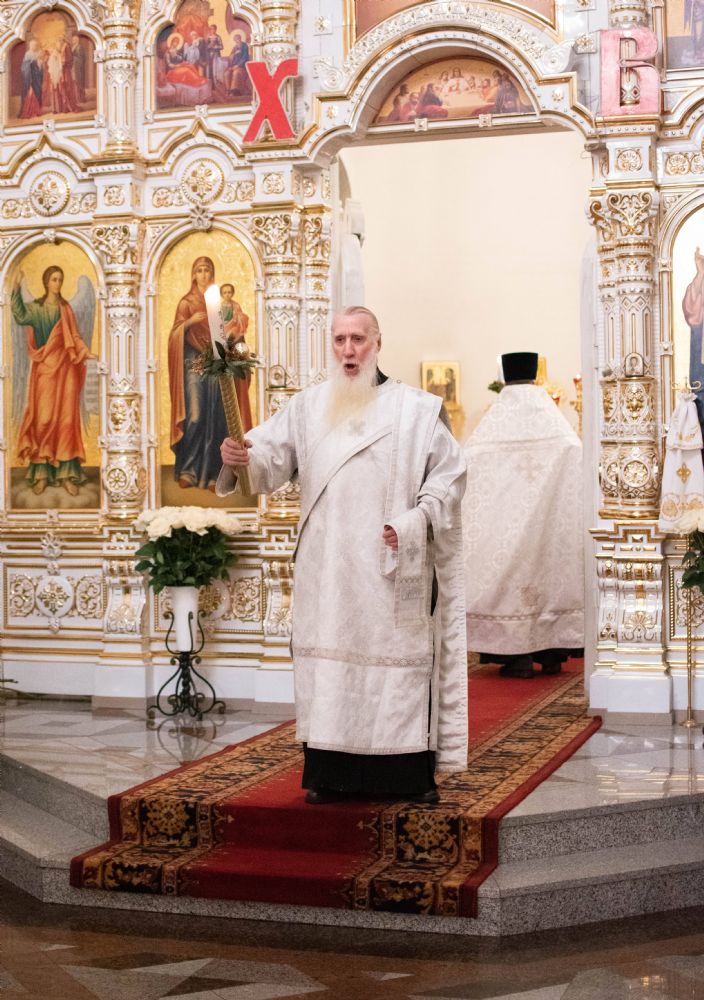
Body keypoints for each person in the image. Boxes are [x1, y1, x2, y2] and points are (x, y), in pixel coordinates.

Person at [219, 306, 468, 803]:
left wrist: (417, 520)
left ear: (378, 342)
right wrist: (241, 458)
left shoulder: (415, 410)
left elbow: (449, 476)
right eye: (339, 340)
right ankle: (329, 775)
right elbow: (268, 460)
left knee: (394, 672)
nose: (348, 350)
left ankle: (405, 776)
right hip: (327, 570)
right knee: (330, 673)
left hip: (389, 567)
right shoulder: (307, 407)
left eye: (358, 339)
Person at [463, 352, 584, 678]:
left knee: (511, 582)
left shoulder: (495, 421)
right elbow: (574, 452)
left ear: (505, 375)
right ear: (534, 374)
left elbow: (470, 461)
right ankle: (551, 655)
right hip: (547, 526)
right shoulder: (550, 418)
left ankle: (518, 658)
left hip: (507, 530)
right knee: (548, 576)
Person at [11, 267, 96, 496]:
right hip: (45, 369)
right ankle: (41, 473)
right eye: (54, 279)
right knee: (44, 419)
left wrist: (85, 351)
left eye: (60, 279)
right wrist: (16, 288)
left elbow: (75, 336)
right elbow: (19, 316)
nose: (57, 283)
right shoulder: (36, 308)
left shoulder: (66, 308)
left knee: (66, 420)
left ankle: (66, 475)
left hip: (66, 369)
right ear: (46, 282)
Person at [168, 256, 228, 490]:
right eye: (199, 270)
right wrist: (190, 322)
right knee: (195, 415)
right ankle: (188, 469)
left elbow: (227, 332)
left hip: (214, 362)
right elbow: (174, 335)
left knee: (215, 417)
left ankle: (212, 474)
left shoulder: (219, 304)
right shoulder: (186, 303)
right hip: (192, 362)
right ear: (193, 275)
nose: (203, 274)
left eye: (207, 270)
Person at [220, 282, 253, 433]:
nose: (227, 295)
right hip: (224, 339)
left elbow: (240, 321)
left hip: (236, 339)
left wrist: (238, 321)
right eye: (225, 292)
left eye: (229, 292)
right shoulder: (219, 307)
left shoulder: (236, 306)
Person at [19, 39, 44, 119]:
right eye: (33, 45)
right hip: (30, 77)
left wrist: (40, 63)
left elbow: (40, 67)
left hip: (37, 77)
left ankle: (37, 110)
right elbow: (25, 67)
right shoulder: (28, 54)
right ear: (30, 46)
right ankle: (29, 111)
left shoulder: (38, 53)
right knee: (29, 94)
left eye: (36, 45)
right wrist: (34, 61)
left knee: (38, 92)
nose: (34, 47)